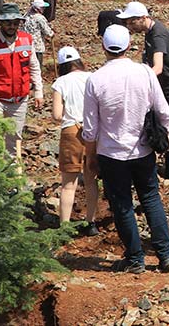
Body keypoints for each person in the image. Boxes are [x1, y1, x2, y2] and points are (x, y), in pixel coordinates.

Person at [82, 24, 169, 274]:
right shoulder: (144, 72)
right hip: (143, 149)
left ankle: (136, 259)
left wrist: (91, 156)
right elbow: (163, 110)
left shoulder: (95, 79)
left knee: (122, 203)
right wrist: (166, 134)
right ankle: (165, 255)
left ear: (104, 46)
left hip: (111, 153)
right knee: (151, 198)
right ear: (129, 46)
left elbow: (90, 128)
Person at [119, 1, 169, 181]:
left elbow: (158, 67)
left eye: (132, 22)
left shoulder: (157, 36)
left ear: (143, 18)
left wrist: (138, 80)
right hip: (165, 87)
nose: (129, 26)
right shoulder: (150, 33)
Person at [0, 3, 43, 166]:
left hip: (19, 100)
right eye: (8, 23)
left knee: (14, 138)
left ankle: (13, 178)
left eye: (15, 23)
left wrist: (38, 90)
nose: (12, 26)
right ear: (0, 23)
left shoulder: (27, 40)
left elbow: (34, 66)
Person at [50, 46, 99, 235]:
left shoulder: (60, 82)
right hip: (93, 130)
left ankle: (64, 227)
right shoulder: (92, 77)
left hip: (71, 130)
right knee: (91, 179)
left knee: (68, 184)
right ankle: (91, 222)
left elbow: (56, 115)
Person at [22, 0, 54, 68]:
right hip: (37, 47)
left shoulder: (26, 16)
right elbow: (47, 31)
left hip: (25, 45)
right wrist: (52, 33)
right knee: (37, 66)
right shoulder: (40, 18)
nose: (44, 9)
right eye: (42, 8)